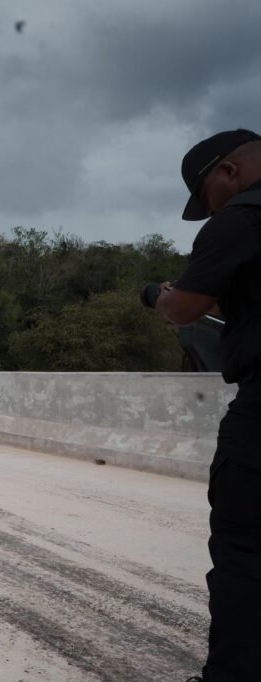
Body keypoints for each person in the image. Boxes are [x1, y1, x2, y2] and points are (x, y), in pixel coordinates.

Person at [154, 128, 261, 682]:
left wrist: (165, 297)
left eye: (206, 198)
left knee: (245, 553)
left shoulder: (241, 219)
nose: (211, 210)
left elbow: (184, 310)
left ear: (228, 171)